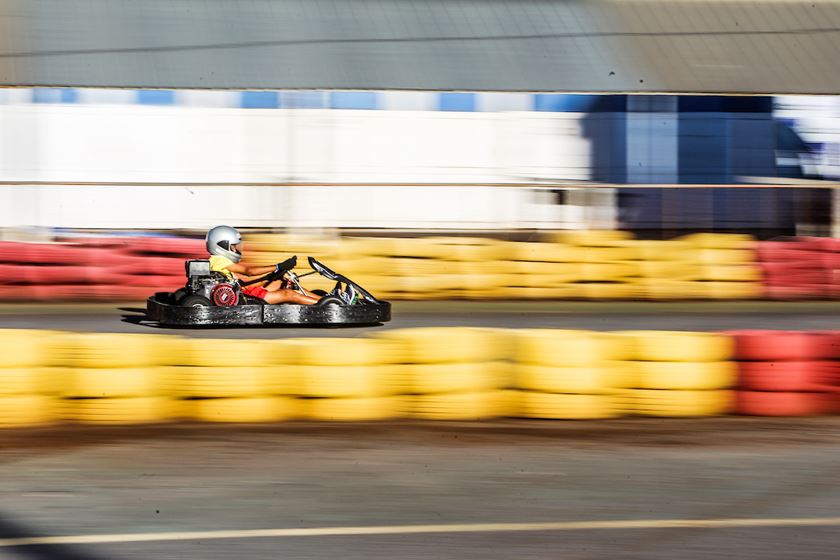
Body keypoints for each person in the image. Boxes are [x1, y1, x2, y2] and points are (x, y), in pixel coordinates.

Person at [205, 225, 321, 305]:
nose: (236, 249)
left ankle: (326, 299)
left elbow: (243, 284)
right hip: (244, 298)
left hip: (243, 292)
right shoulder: (218, 260)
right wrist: (278, 266)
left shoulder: (217, 261)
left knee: (284, 284)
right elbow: (248, 271)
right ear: (222, 246)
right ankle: (328, 305)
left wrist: (269, 277)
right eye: (233, 246)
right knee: (288, 293)